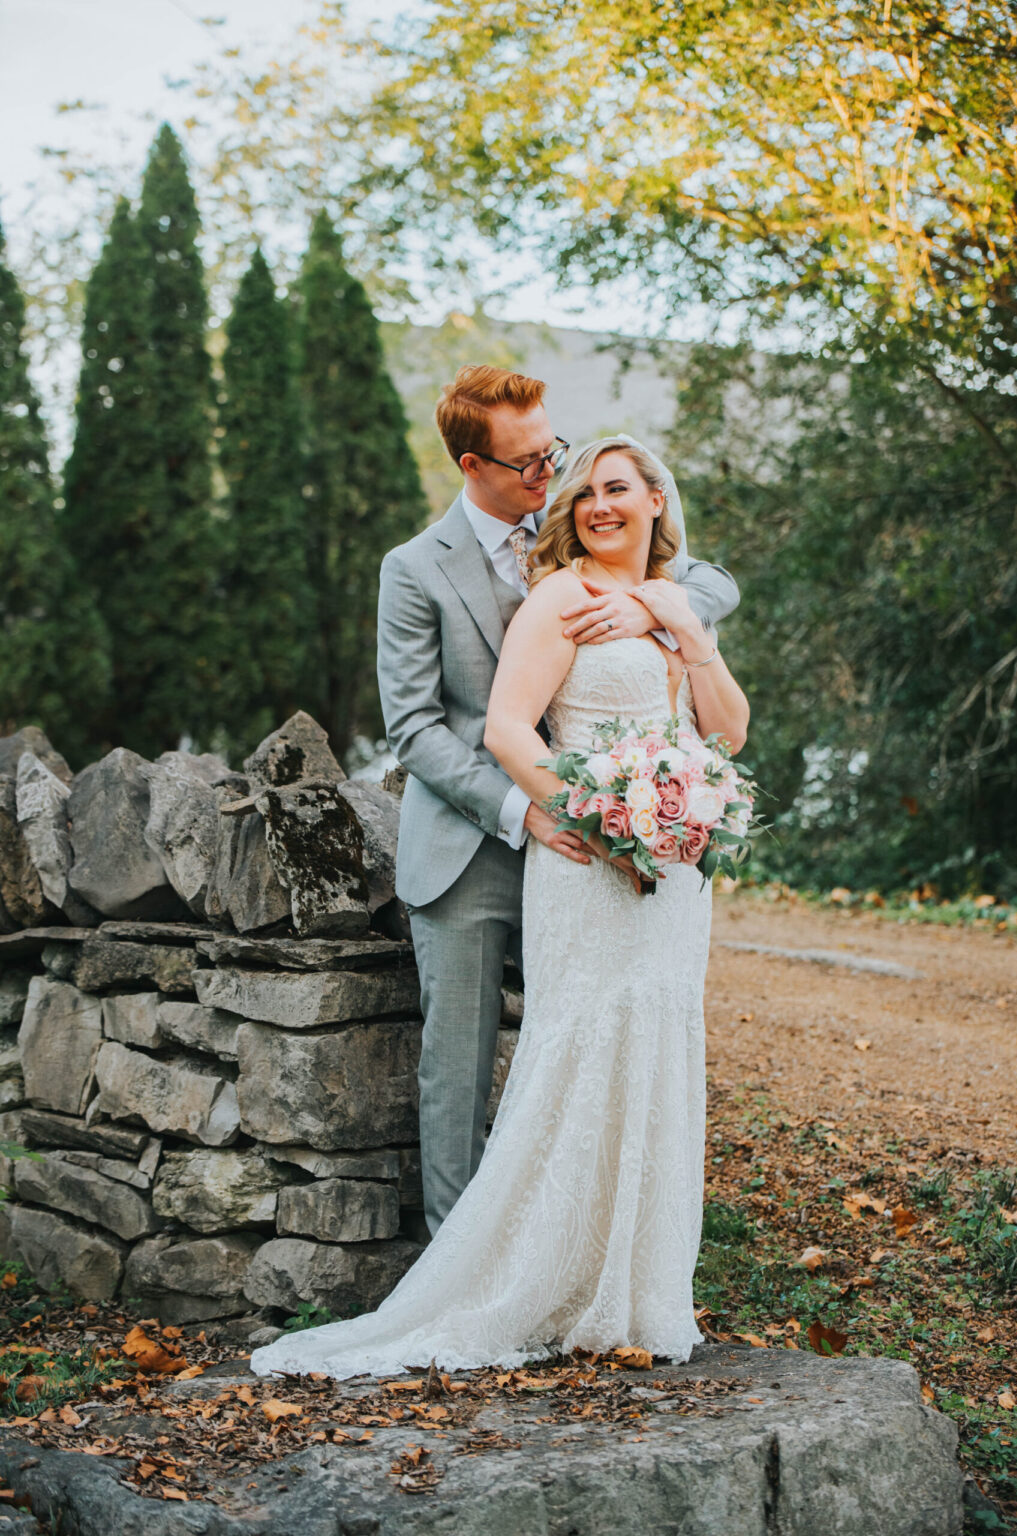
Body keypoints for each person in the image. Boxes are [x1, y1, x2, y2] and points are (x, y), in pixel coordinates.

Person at [250, 433, 749, 1380]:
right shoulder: (559, 594)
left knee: (654, 1047)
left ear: (654, 500)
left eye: (616, 488)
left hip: (674, 875)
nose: (597, 504)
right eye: (584, 491)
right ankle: (525, 1279)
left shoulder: (677, 599)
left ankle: (633, 1287)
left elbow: (723, 731)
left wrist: (688, 628)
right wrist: (586, 812)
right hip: (585, 858)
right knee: (578, 1047)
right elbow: (505, 728)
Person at [371, 365, 737, 1240]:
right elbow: (416, 729)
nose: (550, 474)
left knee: (599, 1039)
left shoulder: (588, 517)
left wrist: (653, 613)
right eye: (529, 463)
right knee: (457, 1071)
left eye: (553, 451)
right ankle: (456, 1265)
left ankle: (586, 1247)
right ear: (474, 466)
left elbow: (709, 579)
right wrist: (527, 810)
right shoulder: (416, 568)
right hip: (472, 846)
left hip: (601, 859)